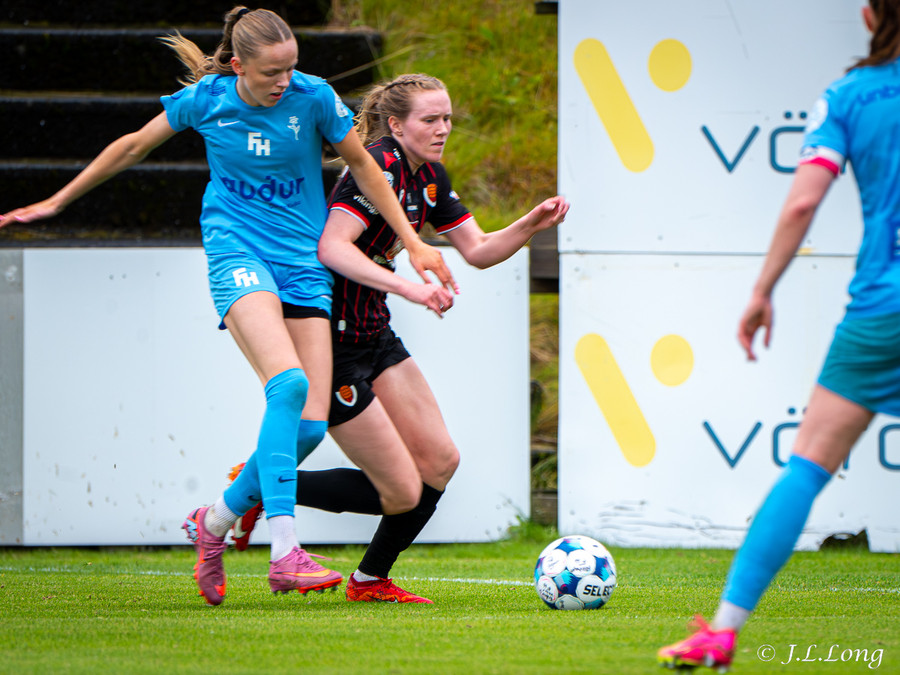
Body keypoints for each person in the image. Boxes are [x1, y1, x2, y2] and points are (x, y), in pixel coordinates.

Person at [0, 7, 456, 607]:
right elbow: (133, 146)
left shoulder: (314, 98)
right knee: (289, 386)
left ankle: (212, 521)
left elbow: (366, 168)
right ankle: (286, 553)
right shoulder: (207, 101)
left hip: (302, 264)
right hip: (238, 252)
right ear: (238, 65)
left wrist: (414, 243)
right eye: (271, 72)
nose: (284, 82)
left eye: (291, 68)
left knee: (310, 427)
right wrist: (57, 202)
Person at [227, 73, 570, 603]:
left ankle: (369, 580)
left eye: (447, 118)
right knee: (400, 488)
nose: (443, 128)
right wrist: (410, 288)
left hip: (375, 333)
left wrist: (530, 223)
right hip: (331, 341)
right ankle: (255, 487)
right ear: (396, 125)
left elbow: (477, 250)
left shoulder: (428, 176)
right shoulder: (377, 165)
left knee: (440, 462)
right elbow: (332, 248)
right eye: (430, 119)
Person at [658, 1, 900, 669]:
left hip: (883, 310)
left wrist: (762, 290)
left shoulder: (849, 96)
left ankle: (722, 631)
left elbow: (803, 201)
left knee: (808, 465)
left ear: (869, 15)